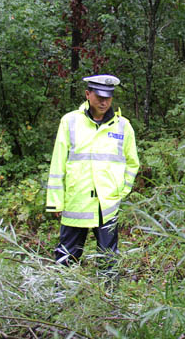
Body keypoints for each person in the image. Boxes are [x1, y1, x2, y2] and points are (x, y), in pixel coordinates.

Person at [45, 75, 139, 270]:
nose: (104, 102)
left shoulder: (123, 126)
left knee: (108, 257)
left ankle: (108, 297)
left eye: (108, 97)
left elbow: (132, 163)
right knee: (67, 256)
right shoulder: (70, 121)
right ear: (88, 94)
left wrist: (121, 191)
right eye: (99, 96)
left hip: (107, 203)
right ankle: (59, 298)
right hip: (76, 200)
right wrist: (55, 201)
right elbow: (58, 162)